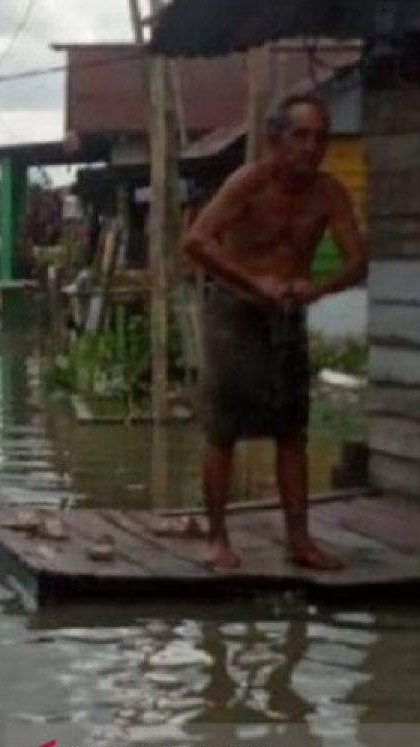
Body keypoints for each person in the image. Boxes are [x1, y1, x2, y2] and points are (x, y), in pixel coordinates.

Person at [182, 94, 368, 572]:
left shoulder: (329, 193)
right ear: (275, 140)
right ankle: (217, 539)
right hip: (234, 311)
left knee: (292, 429)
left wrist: (316, 288)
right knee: (223, 429)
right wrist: (253, 282)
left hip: (287, 314)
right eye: (300, 136)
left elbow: (356, 261)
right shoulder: (248, 183)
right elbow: (196, 240)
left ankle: (299, 540)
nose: (311, 147)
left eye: (320, 138)